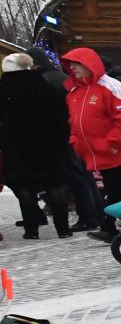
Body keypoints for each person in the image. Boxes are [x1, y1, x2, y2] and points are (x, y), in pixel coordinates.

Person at [63, 47, 121, 239]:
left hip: (119, 151)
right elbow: (75, 122)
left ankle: (117, 227)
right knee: (117, 192)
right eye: (70, 64)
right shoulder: (75, 91)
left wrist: (112, 143)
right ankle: (114, 228)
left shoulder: (111, 86)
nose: (73, 68)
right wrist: (75, 141)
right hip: (100, 153)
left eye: (77, 63)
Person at [0, 53, 76, 239]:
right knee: (54, 184)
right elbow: (60, 113)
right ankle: (63, 229)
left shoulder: (4, 89)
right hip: (48, 143)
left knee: (24, 187)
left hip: (16, 145)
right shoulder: (43, 85)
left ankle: (32, 229)